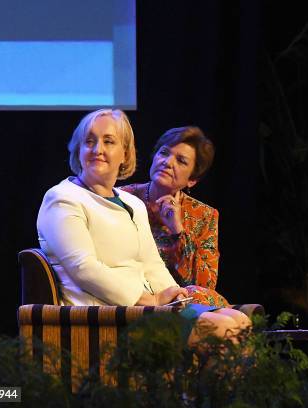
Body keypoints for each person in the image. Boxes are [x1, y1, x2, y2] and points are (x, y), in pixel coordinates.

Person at [36, 109, 249, 344]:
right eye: (89, 142)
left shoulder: (131, 203)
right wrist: (151, 300)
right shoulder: (63, 199)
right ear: (79, 150)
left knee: (241, 322)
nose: (97, 150)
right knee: (224, 330)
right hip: (109, 313)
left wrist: (173, 295)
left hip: (146, 309)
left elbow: (152, 264)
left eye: (108, 141)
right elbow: (84, 268)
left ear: (125, 154)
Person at [120, 126, 228, 307]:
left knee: (200, 297)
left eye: (181, 161)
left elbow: (205, 285)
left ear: (192, 179)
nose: (168, 162)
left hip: (179, 298)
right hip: (133, 290)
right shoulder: (122, 198)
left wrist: (177, 230)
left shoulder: (204, 216)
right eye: (164, 153)